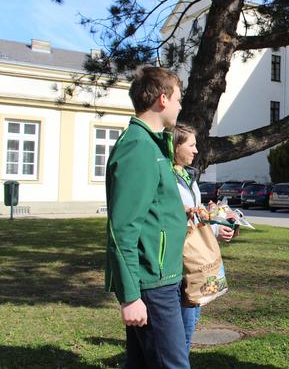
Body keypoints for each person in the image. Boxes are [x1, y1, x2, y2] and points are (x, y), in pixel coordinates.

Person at [104, 66, 190, 368]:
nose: (181, 105)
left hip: (160, 277)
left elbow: (155, 212)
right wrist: (130, 297)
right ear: (163, 99)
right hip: (152, 284)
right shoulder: (138, 147)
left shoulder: (153, 145)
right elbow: (122, 229)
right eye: (179, 99)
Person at [171, 123, 235, 353]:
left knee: (190, 322)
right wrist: (187, 212)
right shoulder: (165, 177)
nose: (196, 150)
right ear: (175, 146)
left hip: (195, 259)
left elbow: (197, 218)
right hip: (177, 261)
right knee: (182, 331)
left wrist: (218, 224)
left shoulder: (188, 176)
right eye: (191, 145)